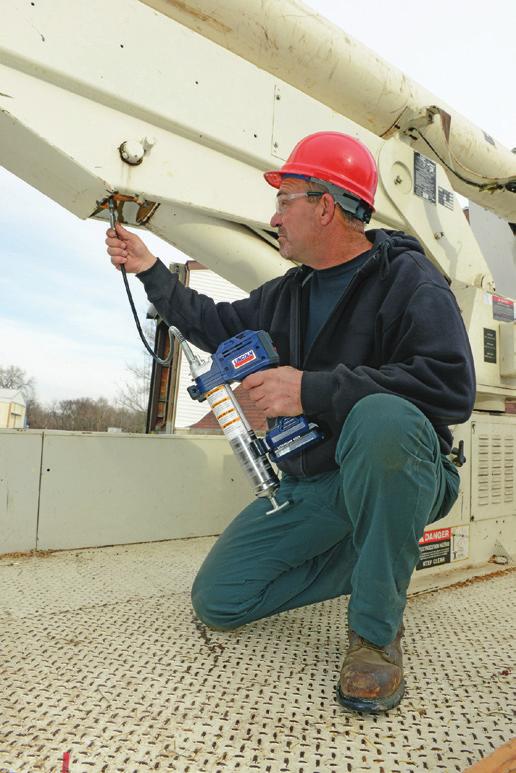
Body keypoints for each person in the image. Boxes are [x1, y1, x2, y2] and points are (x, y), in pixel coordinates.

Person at [106, 131, 475, 713]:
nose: (273, 215)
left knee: (382, 418)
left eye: (285, 200)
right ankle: (380, 552)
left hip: (404, 467)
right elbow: (211, 322)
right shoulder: (287, 293)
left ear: (325, 206)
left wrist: (312, 389)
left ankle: (375, 634)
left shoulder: (409, 279)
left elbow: (450, 385)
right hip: (318, 483)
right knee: (219, 600)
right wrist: (150, 268)